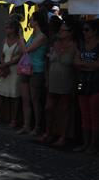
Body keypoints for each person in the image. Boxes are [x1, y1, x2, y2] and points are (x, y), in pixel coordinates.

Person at [40, 21, 77, 146]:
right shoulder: (55, 43)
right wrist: (47, 78)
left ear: (70, 33)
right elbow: (47, 62)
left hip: (66, 80)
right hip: (53, 80)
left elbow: (76, 67)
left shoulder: (74, 46)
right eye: (60, 30)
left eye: (63, 30)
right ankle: (49, 132)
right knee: (49, 108)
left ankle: (62, 136)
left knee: (64, 109)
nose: (60, 32)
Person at [0, 18, 24, 128]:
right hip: (5, 69)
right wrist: (3, 65)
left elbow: (21, 56)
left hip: (14, 70)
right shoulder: (5, 40)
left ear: (13, 29)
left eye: (8, 27)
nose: (6, 29)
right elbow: (2, 54)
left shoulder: (20, 41)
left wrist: (6, 65)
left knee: (14, 95)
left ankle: (14, 119)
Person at [17, 11, 48, 135]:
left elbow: (26, 50)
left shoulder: (42, 37)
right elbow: (23, 50)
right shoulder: (33, 35)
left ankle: (37, 126)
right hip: (26, 68)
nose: (29, 21)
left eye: (31, 19)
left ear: (36, 21)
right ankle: (26, 125)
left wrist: (20, 38)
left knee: (35, 100)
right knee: (25, 99)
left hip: (36, 69)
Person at [73, 20, 99, 154]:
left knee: (94, 115)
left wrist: (84, 64)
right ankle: (85, 143)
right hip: (83, 82)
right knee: (85, 114)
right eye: (83, 30)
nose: (84, 32)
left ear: (95, 31)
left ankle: (93, 145)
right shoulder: (81, 45)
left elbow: (97, 65)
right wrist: (88, 65)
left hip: (96, 83)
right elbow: (76, 62)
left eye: (87, 30)